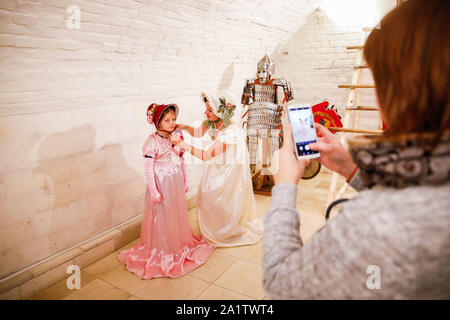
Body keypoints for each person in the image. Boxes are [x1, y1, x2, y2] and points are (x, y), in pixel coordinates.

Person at [262, 0, 450, 299]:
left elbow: (282, 285)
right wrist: (350, 169)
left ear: (407, 88)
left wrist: (284, 186)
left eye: (381, 79)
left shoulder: (380, 220)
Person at [118, 103, 214, 279]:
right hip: (161, 183)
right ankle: (162, 248)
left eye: (174, 119)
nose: (172, 123)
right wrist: (154, 191)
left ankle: (177, 242)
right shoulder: (152, 142)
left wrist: (185, 179)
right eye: (167, 120)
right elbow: (148, 169)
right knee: (162, 215)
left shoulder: (177, 136)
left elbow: (182, 159)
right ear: (157, 122)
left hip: (175, 181)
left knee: (176, 212)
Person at [170, 92, 263, 247]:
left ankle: (226, 230)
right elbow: (198, 133)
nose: (205, 113)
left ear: (221, 112)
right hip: (219, 163)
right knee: (207, 195)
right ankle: (218, 225)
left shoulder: (232, 131)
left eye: (209, 110)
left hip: (230, 168)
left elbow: (206, 155)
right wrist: (184, 127)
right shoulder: (212, 122)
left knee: (223, 198)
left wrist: (180, 143)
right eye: (206, 109)